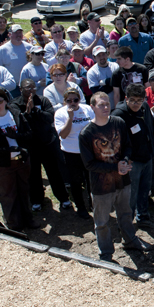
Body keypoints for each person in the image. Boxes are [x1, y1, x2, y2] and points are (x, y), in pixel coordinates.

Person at [80, 92, 152, 261]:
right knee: (102, 222)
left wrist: (125, 160)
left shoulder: (118, 123)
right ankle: (105, 252)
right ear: (92, 107)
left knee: (126, 214)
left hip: (123, 181)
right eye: (101, 105)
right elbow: (89, 164)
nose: (105, 107)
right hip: (101, 186)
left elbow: (127, 146)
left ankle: (130, 240)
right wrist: (115, 166)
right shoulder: (87, 133)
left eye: (107, 104)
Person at [0, 87, 38, 231]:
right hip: (2, 165)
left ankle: (28, 219)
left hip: (21, 161)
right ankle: (14, 225)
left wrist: (16, 137)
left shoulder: (16, 114)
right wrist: (8, 149)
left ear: (6, 101)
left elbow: (29, 133)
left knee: (23, 190)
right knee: (8, 195)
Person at [12, 79, 72, 213]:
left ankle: (63, 198)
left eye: (33, 88)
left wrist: (36, 111)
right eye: (28, 88)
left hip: (46, 144)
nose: (31, 91)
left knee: (54, 172)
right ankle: (36, 200)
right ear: (21, 90)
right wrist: (27, 113)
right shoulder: (15, 104)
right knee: (33, 175)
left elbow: (50, 117)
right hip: (29, 146)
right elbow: (18, 122)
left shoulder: (43, 101)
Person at [113, 83, 154, 229]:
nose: (136, 104)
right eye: (132, 100)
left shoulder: (145, 108)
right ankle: (126, 224)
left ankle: (143, 216)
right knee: (130, 195)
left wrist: (153, 147)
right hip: (132, 163)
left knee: (145, 189)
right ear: (126, 98)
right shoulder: (118, 115)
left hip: (147, 157)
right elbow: (114, 142)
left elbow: (151, 126)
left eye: (139, 101)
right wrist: (124, 158)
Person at [54, 87, 94, 219]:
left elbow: (95, 126)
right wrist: (70, 118)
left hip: (88, 151)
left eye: (75, 100)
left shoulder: (87, 109)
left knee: (91, 179)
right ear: (64, 101)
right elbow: (63, 135)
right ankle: (80, 207)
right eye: (69, 100)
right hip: (71, 152)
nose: (72, 103)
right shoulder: (60, 113)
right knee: (75, 181)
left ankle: (92, 203)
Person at [0, 24, 32, 90]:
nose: (18, 35)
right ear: (9, 35)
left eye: (20, 32)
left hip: (28, 85)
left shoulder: (29, 47)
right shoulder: (2, 50)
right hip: (12, 87)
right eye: (16, 33)